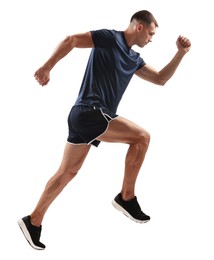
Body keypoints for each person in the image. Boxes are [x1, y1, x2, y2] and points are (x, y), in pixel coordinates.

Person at [18, 10, 191, 250]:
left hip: (86, 119)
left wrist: (180, 53)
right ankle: (126, 197)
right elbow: (71, 40)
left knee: (67, 173)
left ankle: (33, 221)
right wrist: (47, 67)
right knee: (142, 137)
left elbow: (161, 78)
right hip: (90, 112)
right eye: (150, 33)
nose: (151, 39)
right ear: (139, 27)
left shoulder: (134, 59)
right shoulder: (110, 38)